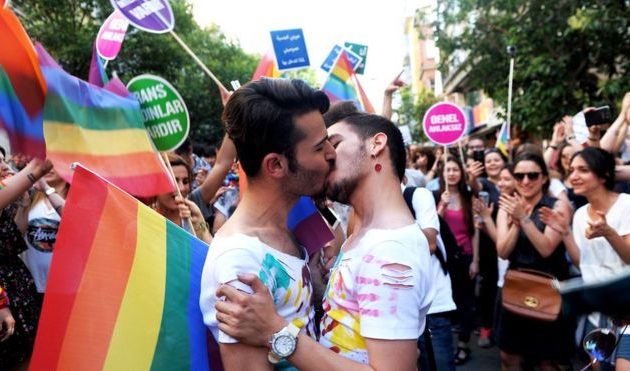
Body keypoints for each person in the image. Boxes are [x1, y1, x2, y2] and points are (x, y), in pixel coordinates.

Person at [214, 113, 435, 370]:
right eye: (322, 147)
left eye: (336, 144)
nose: (327, 156)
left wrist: (275, 331)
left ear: (377, 144)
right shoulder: (365, 237)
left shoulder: (390, 249)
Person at [199, 78, 336, 370]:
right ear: (275, 165)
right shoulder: (240, 260)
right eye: (319, 147)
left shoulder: (291, 224)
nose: (332, 154)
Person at [541, 147, 630, 370]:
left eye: (583, 170)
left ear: (603, 175)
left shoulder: (626, 205)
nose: (574, 176)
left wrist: (608, 232)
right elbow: (582, 262)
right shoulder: (580, 214)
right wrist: (564, 232)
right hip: (597, 315)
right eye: (571, 170)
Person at [495, 152, 575, 370]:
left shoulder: (557, 206)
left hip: (549, 287)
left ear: (544, 177)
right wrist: (516, 224)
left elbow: (546, 248)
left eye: (532, 175)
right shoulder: (506, 207)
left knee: (548, 361)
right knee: (508, 356)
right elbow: (502, 251)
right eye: (519, 176)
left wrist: (523, 218)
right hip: (516, 285)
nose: (526, 181)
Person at [437, 156, 479, 364]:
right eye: (448, 170)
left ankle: (463, 345)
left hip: (466, 256)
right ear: (442, 173)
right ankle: (448, 345)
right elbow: (433, 227)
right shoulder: (436, 195)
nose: (452, 173)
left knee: (466, 302)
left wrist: (475, 260)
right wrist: (442, 206)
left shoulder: (468, 196)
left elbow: (474, 232)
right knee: (449, 300)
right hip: (446, 259)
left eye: (455, 169)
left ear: (461, 173)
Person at [153, 153, 212, 243]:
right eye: (173, 180)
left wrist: (201, 226)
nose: (181, 188)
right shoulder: (143, 219)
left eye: (185, 181)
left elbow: (211, 255)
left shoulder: (193, 220)